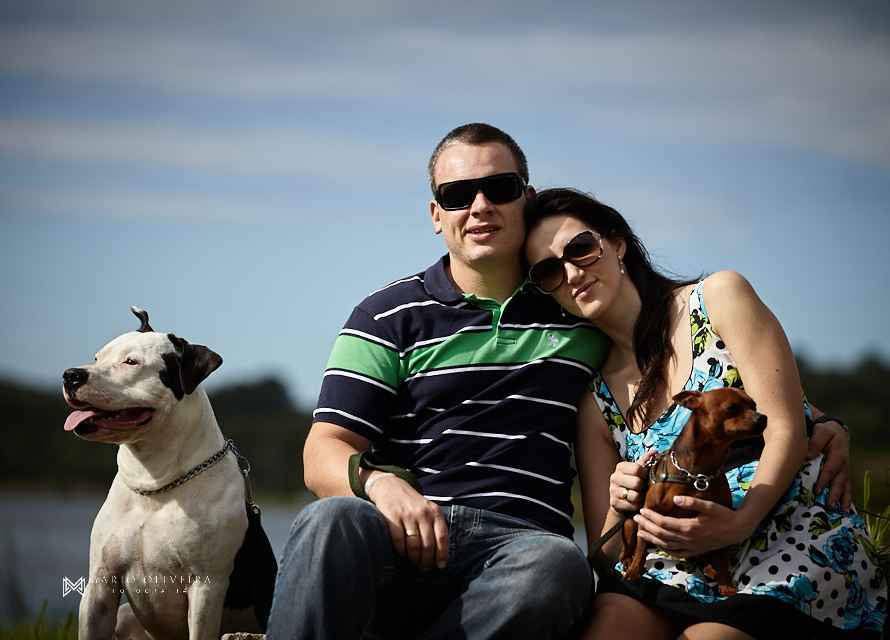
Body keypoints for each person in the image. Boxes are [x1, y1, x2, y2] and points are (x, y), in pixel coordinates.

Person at [265, 123, 853, 639]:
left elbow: (701, 371)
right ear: (435, 214)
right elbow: (322, 453)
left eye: (498, 188)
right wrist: (379, 486)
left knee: (558, 566)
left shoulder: (573, 307)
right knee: (328, 518)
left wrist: (817, 422)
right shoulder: (387, 315)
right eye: (456, 194)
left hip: (521, 553)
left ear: (526, 197)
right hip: (410, 538)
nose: (479, 206)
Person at [522, 187, 887, 639]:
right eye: (548, 271)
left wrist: (737, 523)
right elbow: (606, 550)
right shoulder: (594, 400)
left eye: (579, 248)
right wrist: (619, 507)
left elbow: (787, 426)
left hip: (779, 542)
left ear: (616, 243)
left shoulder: (717, 298)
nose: (572, 271)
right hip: (670, 565)